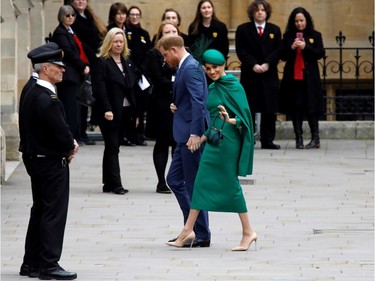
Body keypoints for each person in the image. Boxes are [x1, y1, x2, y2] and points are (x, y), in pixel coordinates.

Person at [165, 49, 257, 251]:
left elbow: (244, 119)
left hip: (228, 143)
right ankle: (188, 230)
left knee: (231, 186)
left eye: (215, 67)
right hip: (214, 142)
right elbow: (210, 117)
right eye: (208, 68)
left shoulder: (234, 85)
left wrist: (229, 119)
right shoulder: (212, 87)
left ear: (224, 65)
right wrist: (200, 137)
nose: (212, 71)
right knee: (199, 184)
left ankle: (248, 232)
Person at [18, 42, 79, 280]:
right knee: (53, 212)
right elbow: (59, 131)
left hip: (36, 158)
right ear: (45, 69)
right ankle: (48, 264)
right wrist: (70, 145)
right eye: (58, 66)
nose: (63, 70)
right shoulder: (46, 98)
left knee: (40, 210)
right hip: (50, 162)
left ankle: (31, 263)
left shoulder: (32, 88)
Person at [158, 35, 211, 247]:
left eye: (164, 55)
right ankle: (191, 229)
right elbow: (191, 100)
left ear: (173, 50)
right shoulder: (185, 66)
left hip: (191, 137)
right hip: (184, 133)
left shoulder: (189, 68)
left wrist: (196, 134)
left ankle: (200, 233)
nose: (164, 60)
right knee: (174, 179)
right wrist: (178, 106)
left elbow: (200, 101)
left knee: (192, 184)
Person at [91, 27, 137, 195]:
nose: (118, 44)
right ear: (109, 43)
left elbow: (132, 84)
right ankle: (116, 184)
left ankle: (107, 183)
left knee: (114, 146)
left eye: (121, 41)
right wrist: (107, 109)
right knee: (112, 146)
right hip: (109, 111)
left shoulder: (127, 61)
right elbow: (99, 88)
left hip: (125, 110)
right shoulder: (102, 61)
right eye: (115, 41)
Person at [235, 0, 282, 149]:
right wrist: (253, 64)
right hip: (251, 74)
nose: (260, 12)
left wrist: (267, 63)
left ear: (267, 12)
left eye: (263, 10)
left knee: (269, 108)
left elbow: (278, 50)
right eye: (257, 10)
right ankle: (248, 139)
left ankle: (268, 140)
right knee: (249, 108)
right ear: (252, 13)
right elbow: (241, 50)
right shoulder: (243, 29)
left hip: (269, 75)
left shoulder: (275, 30)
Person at [279, 7, 325, 149]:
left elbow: (320, 53)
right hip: (293, 78)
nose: (299, 23)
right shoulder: (288, 36)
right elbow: (283, 56)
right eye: (296, 21)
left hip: (309, 78)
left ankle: (315, 138)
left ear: (306, 20)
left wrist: (306, 47)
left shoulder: (315, 35)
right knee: (296, 107)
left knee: (311, 107)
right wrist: (292, 47)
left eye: (301, 20)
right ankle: (298, 138)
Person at [144, 22, 179, 194]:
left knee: (178, 143)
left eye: (174, 31)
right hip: (161, 104)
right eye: (167, 32)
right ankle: (161, 181)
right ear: (160, 34)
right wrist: (175, 82)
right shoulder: (153, 54)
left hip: (180, 102)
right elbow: (157, 79)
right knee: (162, 142)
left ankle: (177, 179)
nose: (171, 34)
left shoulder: (184, 53)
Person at [70, 0, 107, 145]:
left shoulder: (90, 17)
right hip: (84, 61)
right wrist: (92, 56)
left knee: (87, 97)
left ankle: (83, 132)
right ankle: (78, 132)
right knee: (81, 97)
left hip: (94, 60)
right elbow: (79, 42)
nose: (80, 2)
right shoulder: (73, 18)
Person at [52, 5, 90, 142]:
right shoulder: (60, 33)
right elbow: (68, 53)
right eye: (67, 15)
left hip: (75, 75)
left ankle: (77, 134)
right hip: (69, 76)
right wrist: (82, 66)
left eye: (72, 15)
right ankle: (71, 136)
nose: (70, 18)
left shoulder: (70, 31)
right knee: (70, 108)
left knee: (76, 108)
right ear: (61, 17)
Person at [125, 6, 153, 146]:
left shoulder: (144, 34)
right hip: (129, 73)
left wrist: (142, 69)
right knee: (130, 106)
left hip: (142, 76)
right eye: (132, 14)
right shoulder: (125, 32)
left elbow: (148, 53)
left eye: (137, 14)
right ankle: (129, 134)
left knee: (141, 106)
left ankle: (139, 134)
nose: (135, 17)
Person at [187, 0, 229, 65]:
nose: (206, 10)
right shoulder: (193, 27)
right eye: (203, 8)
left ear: (212, 9)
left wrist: (219, 62)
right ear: (199, 11)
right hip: (198, 64)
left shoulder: (221, 27)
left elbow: (224, 47)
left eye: (209, 7)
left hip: (216, 63)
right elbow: (192, 48)